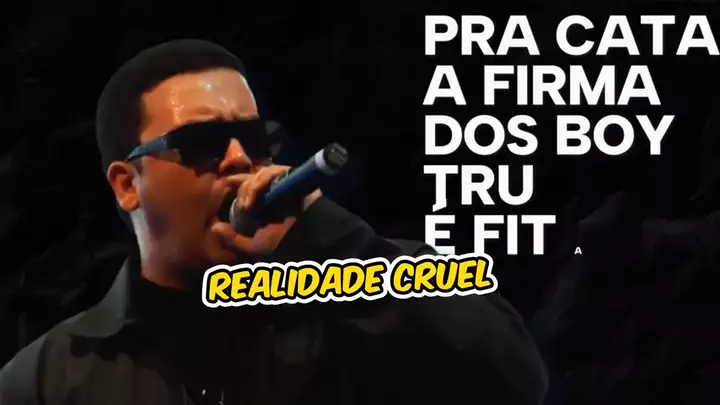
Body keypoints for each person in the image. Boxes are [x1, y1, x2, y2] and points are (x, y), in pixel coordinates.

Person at [0, 39, 548, 405]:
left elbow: (513, 379)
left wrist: (333, 241)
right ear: (127, 185)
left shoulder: (356, 298)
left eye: (254, 138)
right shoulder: (50, 377)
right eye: (203, 142)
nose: (240, 159)